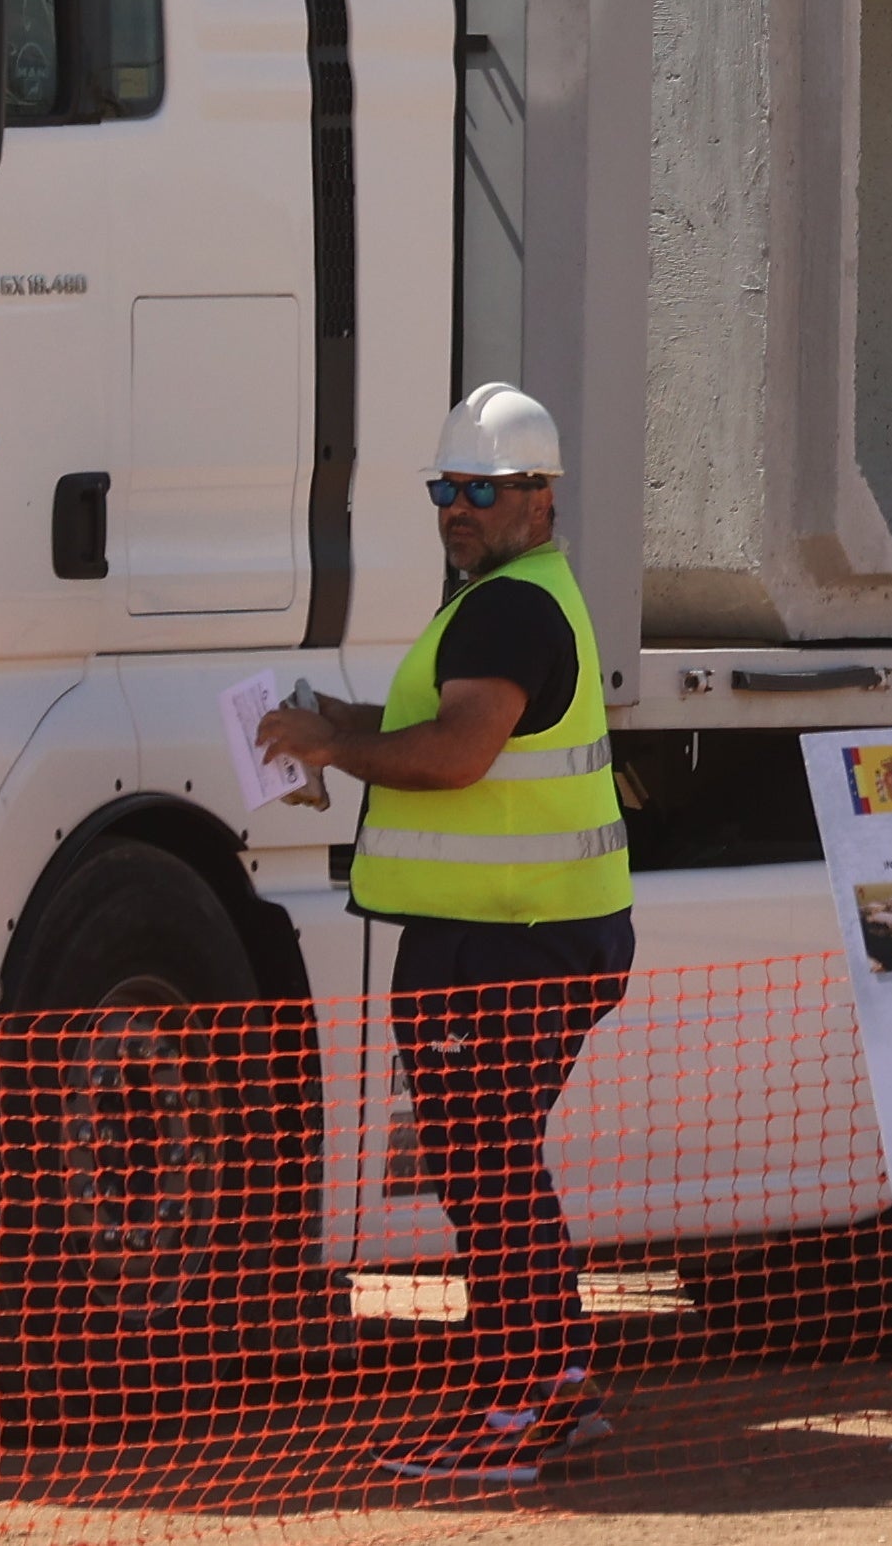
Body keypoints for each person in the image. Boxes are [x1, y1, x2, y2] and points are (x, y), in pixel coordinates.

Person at [253, 384, 634, 1487]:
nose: (456, 510)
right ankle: (554, 1386)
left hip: (508, 940)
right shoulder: (512, 596)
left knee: (481, 1163)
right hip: (523, 933)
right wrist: (333, 726)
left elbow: (458, 754)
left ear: (537, 496)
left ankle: (514, 1410)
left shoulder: (511, 606)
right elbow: (445, 732)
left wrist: (332, 749)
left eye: (479, 489)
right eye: (443, 490)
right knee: (494, 1161)